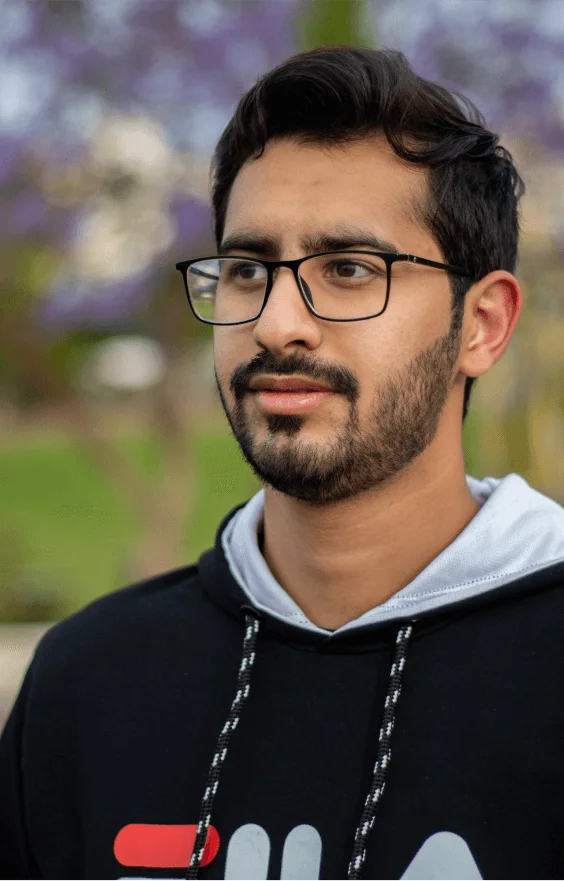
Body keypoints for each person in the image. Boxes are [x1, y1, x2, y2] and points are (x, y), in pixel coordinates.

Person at [1, 45, 563, 881]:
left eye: (347, 269)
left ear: (481, 324)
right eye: (246, 269)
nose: (276, 323)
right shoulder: (89, 684)